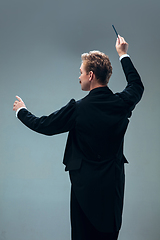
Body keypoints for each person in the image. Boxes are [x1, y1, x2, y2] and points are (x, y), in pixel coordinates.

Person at [13, 35, 144, 240]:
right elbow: (136, 86)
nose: (79, 76)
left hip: (84, 190)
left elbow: (44, 125)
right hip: (113, 188)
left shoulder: (78, 109)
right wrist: (123, 54)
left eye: (81, 72)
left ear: (91, 75)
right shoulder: (122, 103)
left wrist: (21, 111)